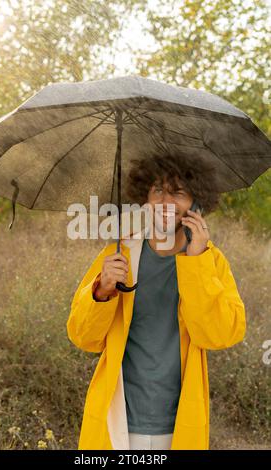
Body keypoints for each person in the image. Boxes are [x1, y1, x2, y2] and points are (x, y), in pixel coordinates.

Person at [67, 149, 247, 450]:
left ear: (196, 202)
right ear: (145, 198)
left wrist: (197, 260)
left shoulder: (211, 260)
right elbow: (82, 337)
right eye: (158, 190)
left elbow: (220, 335)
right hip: (118, 424)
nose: (166, 202)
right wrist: (101, 291)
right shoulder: (118, 256)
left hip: (178, 426)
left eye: (178, 193)